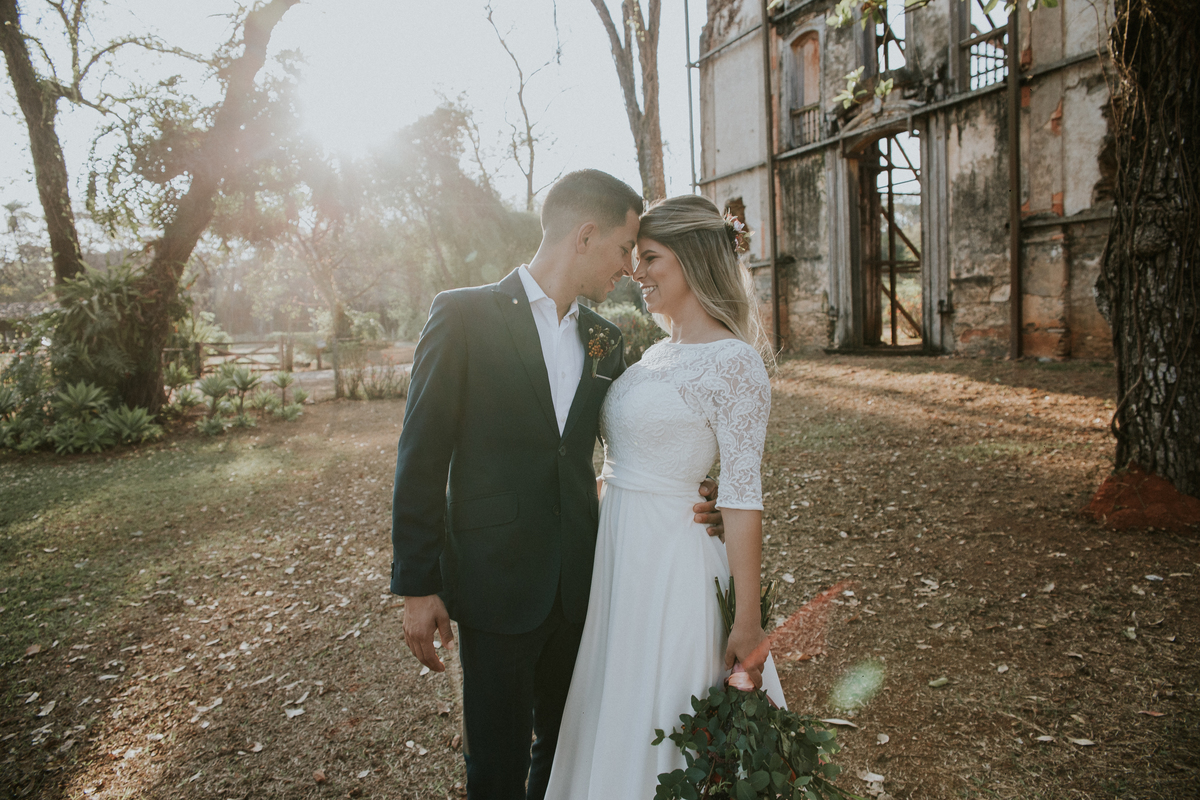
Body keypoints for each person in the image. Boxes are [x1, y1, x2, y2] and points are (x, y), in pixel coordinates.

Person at [389, 170, 723, 800]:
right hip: (495, 584)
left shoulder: (607, 338)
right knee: (495, 764)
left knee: (566, 751)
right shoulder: (462, 315)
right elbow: (422, 455)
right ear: (585, 235)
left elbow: (637, 436)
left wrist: (700, 490)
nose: (630, 267)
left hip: (583, 584)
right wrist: (418, 583)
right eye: (626, 249)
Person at [544, 195, 785, 800]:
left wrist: (749, 620)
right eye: (634, 256)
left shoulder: (734, 363)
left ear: (696, 260)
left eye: (650, 257)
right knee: (615, 700)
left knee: (664, 720)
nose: (635, 271)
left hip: (673, 568)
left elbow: (742, 494)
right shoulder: (651, 354)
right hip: (617, 560)